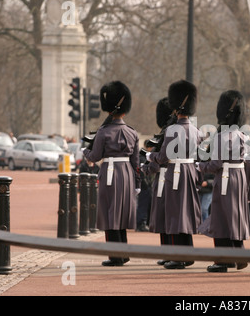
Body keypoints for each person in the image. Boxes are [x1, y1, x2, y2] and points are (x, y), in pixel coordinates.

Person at [83, 81, 141, 266]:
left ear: (109, 109)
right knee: (121, 214)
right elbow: (136, 162)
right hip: (127, 175)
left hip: (110, 172)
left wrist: (85, 151)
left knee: (110, 215)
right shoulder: (132, 132)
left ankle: (115, 256)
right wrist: (137, 183)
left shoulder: (104, 132)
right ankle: (123, 253)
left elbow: (95, 155)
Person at [147, 80, 203, 269]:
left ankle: (178, 257)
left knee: (173, 214)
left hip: (175, 173)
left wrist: (149, 155)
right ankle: (187, 254)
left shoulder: (172, 130)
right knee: (184, 214)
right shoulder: (196, 131)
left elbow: (163, 157)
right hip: (189, 172)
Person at [198, 90, 250, 273]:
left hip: (225, 178)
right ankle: (239, 252)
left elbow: (215, 164)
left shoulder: (221, 137)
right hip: (240, 177)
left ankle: (223, 261)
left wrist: (200, 166)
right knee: (235, 215)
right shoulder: (245, 136)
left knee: (220, 216)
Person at [142, 97, 173, 265]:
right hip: (176, 176)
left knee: (163, 216)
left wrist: (145, 165)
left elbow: (158, 160)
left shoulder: (165, 134)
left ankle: (168, 253)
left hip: (163, 177)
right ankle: (169, 253)